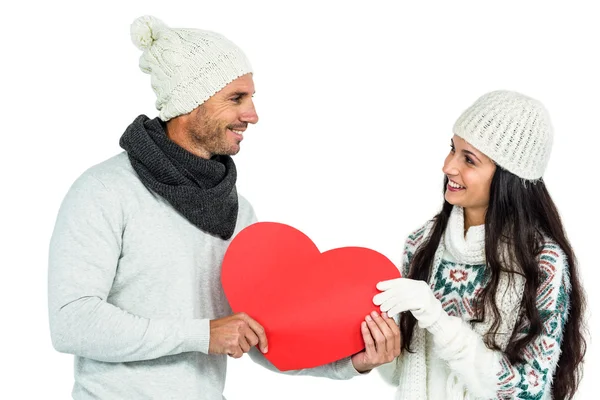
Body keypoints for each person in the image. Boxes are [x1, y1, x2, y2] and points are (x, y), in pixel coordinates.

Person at [48, 15, 399, 400]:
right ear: (189, 102)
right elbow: (72, 323)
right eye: (236, 98)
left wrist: (353, 362)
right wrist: (203, 334)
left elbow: (262, 336)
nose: (252, 114)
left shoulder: (237, 211)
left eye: (251, 98)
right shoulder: (106, 190)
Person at [373, 90, 587, 399]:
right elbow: (399, 370)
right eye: (452, 149)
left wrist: (437, 319)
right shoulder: (421, 245)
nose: (449, 166)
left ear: (508, 177)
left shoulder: (543, 264)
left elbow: (528, 390)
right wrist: (379, 348)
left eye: (469, 159)